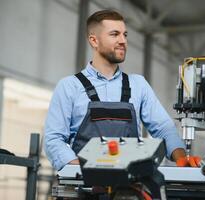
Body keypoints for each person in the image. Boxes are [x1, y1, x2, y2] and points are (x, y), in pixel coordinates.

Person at [44, 9, 188, 171]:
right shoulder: (69, 86)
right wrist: (81, 169)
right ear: (94, 41)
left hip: (130, 186)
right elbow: (53, 140)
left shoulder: (138, 85)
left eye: (125, 35)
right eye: (114, 34)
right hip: (83, 186)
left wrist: (181, 159)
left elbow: (164, 127)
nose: (123, 41)